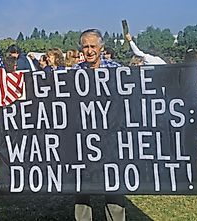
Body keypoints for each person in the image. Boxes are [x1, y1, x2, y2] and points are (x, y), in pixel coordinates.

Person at [72, 29, 125, 221]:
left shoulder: (117, 70)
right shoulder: (73, 73)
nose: (89, 50)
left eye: (93, 46)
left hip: (110, 137)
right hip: (83, 137)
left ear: (101, 48)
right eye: (85, 46)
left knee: (113, 180)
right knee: (81, 183)